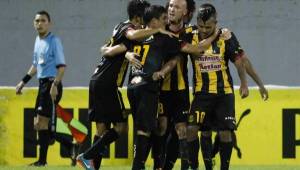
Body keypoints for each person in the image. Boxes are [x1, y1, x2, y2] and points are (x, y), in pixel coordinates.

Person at [75, 1, 181, 170]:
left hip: (98, 79)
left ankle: (91, 164)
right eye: (162, 19)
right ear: (140, 18)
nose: (166, 21)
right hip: (109, 83)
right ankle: (88, 156)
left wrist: (123, 53)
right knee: (124, 126)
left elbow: (108, 49)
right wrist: (157, 32)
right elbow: (131, 38)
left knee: (102, 127)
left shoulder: (124, 31)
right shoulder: (130, 29)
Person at [186, 3, 250, 170]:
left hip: (224, 93)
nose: (204, 29)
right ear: (196, 22)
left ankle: (224, 168)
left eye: (208, 26)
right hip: (202, 93)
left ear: (216, 23)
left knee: (225, 133)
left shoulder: (226, 36)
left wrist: (244, 84)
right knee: (192, 129)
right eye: (201, 26)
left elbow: (238, 61)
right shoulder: (189, 34)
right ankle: (196, 166)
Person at [16, 10, 66, 166]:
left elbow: (62, 67)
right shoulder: (37, 41)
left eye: (43, 20)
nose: (40, 23)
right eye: (37, 21)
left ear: (49, 23)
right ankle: (70, 147)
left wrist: (55, 85)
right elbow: (36, 65)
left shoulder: (54, 41)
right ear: (34, 23)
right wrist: (23, 82)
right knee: (40, 124)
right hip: (42, 85)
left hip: (52, 84)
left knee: (44, 124)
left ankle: (44, 160)